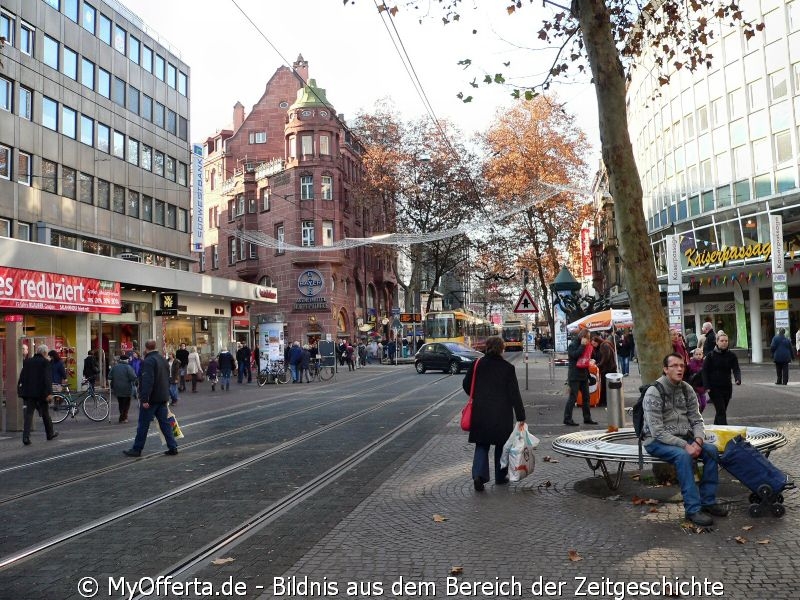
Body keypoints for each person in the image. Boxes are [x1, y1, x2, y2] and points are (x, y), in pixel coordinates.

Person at [642, 352, 727, 527]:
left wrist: (698, 440)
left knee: (711, 451)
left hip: (685, 438)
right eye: (674, 366)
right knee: (683, 456)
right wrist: (685, 446)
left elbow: (697, 420)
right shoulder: (654, 392)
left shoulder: (687, 389)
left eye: (682, 365)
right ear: (665, 369)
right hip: (656, 441)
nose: (679, 369)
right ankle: (693, 509)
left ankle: (708, 502)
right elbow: (656, 431)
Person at [462, 335, 526, 491]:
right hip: (501, 413)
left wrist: (477, 395)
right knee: (501, 445)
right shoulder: (507, 368)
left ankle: (479, 475)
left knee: (482, 445)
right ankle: (500, 476)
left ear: (487, 347)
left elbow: (466, 384)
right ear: (501, 349)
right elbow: (514, 394)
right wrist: (521, 416)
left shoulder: (477, 364)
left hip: (481, 411)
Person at [123, 340, 178, 457]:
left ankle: (137, 449)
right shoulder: (163, 359)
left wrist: (145, 399)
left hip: (151, 399)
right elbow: (167, 378)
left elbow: (148, 381)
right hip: (162, 397)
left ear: (146, 348)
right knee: (165, 423)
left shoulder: (148, 361)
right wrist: (167, 395)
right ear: (155, 347)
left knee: (143, 424)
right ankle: (172, 446)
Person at [19, 344, 57, 445]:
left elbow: (22, 376)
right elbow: (47, 379)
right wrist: (49, 393)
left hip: (30, 393)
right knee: (45, 414)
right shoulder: (45, 362)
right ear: (44, 353)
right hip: (41, 393)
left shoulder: (28, 361)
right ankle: (50, 434)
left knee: (29, 415)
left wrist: (22, 390)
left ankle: (25, 437)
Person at [701, 332, 741, 425]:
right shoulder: (710, 356)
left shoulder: (732, 355)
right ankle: (725, 431)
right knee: (721, 411)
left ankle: (715, 429)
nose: (724, 342)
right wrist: (706, 386)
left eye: (726, 341)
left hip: (727, 387)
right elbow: (704, 371)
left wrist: (737, 378)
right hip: (714, 388)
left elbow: (736, 368)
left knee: (721, 411)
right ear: (717, 342)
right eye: (722, 341)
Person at [563, 328, 598, 426]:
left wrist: (588, 376)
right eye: (588, 337)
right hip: (574, 375)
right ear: (583, 337)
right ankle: (567, 418)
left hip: (583, 375)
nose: (589, 339)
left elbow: (585, 360)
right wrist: (582, 346)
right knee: (573, 398)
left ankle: (587, 418)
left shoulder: (586, 345)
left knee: (586, 397)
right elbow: (574, 355)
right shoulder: (573, 344)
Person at [109, 353, 138, 423]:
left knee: (121, 403)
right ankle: (123, 417)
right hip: (127, 388)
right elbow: (133, 377)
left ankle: (122, 416)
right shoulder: (128, 367)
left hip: (117, 388)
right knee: (127, 403)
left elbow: (110, 377)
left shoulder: (115, 367)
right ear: (126, 360)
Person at [591, 333, 616, 407]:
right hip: (606, 369)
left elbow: (605, 358)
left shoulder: (604, 345)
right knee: (604, 386)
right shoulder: (601, 346)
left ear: (598, 341)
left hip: (608, 369)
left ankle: (604, 401)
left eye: (594, 343)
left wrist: (598, 365)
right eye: (593, 344)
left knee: (604, 386)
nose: (594, 345)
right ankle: (603, 401)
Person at [687, 347, 708, 413]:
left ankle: (699, 415)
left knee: (704, 404)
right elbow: (694, 371)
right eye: (696, 354)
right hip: (694, 387)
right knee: (698, 405)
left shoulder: (704, 363)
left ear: (702, 355)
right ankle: (696, 417)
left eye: (700, 354)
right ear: (693, 355)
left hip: (702, 387)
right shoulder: (691, 364)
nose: (698, 356)